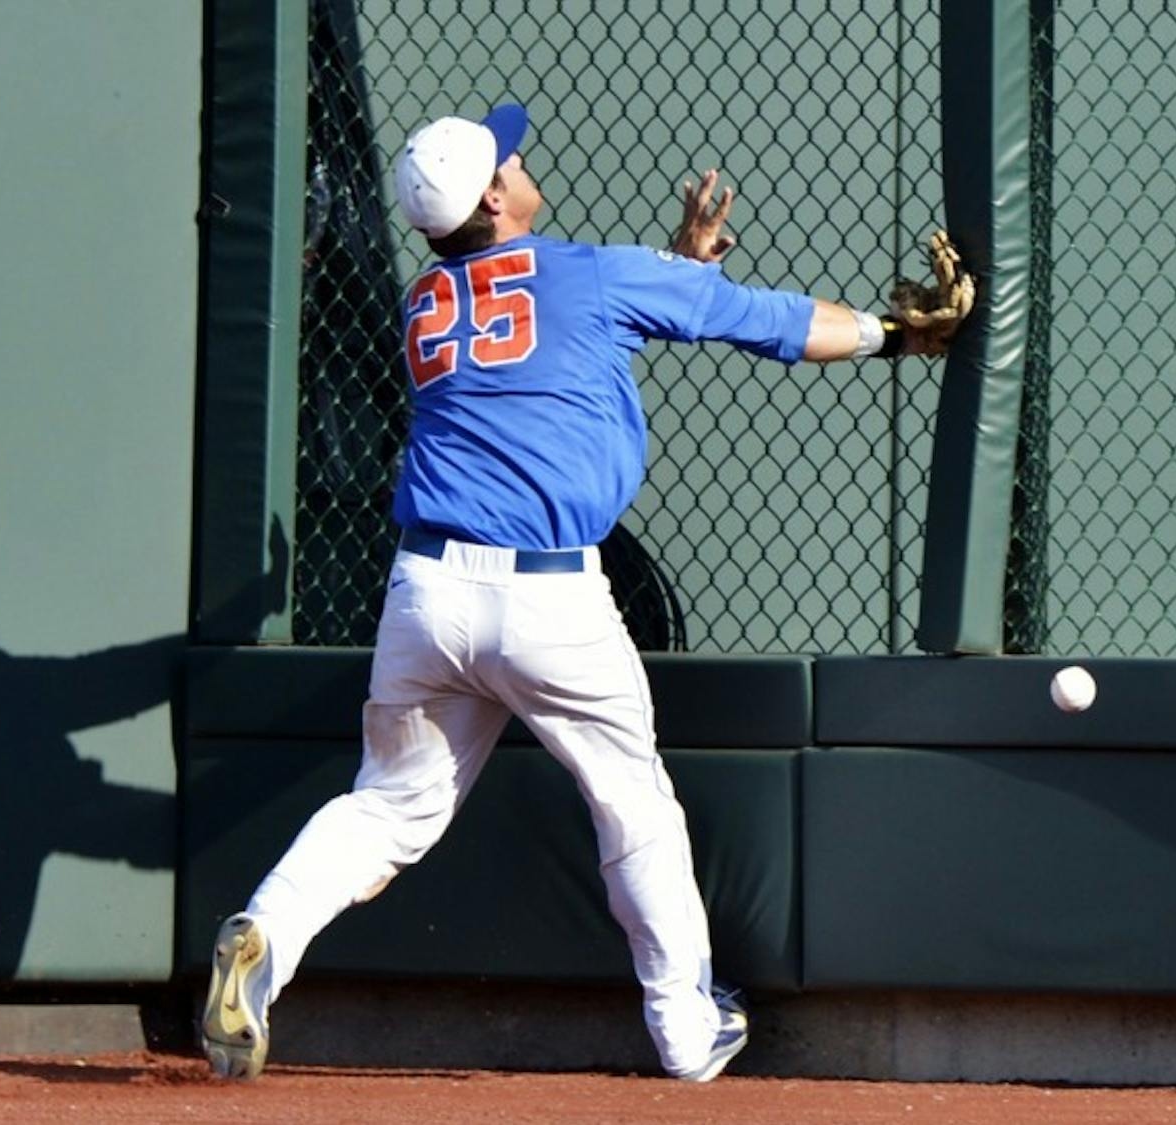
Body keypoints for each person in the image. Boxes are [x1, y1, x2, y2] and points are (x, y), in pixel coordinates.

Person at [201, 103, 969, 1083]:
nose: (521, 160)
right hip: (549, 600)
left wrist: (681, 265)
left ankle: (261, 938)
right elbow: (761, 322)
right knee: (633, 807)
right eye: (507, 157)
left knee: (386, 809)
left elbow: (564, 324)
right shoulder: (589, 272)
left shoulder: (427, 301)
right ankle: (687, 1032)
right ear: (492, 195)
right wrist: (895, 335)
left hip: (427, 593)